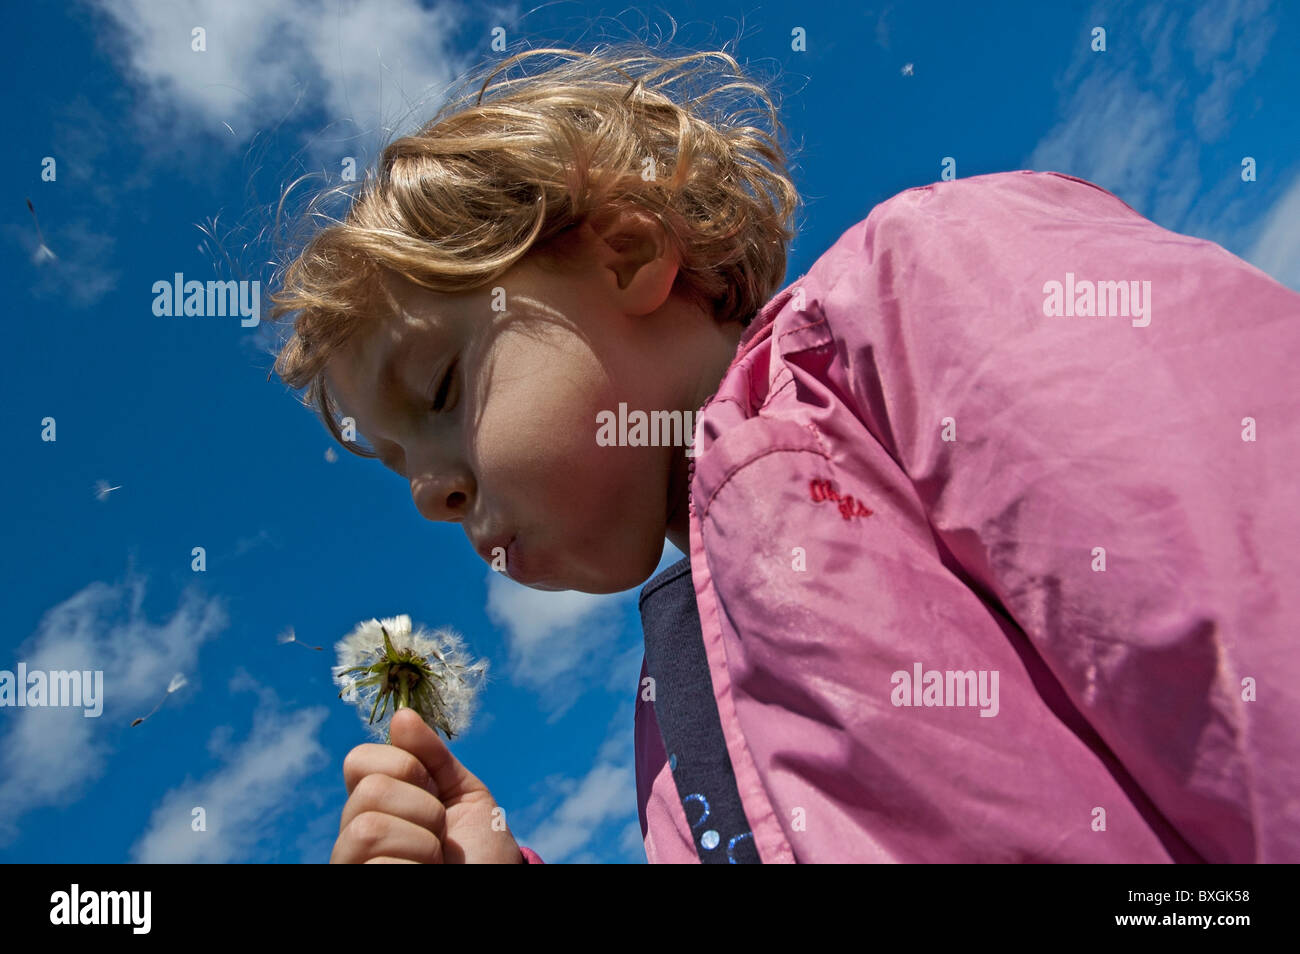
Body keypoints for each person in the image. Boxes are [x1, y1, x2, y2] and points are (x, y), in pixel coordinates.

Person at [268, 45, 1300, 863]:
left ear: (627, 252)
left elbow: (1241, 601)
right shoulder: (672, 720)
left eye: (441, 390)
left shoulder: (919, 301)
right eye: (401, 467)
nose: (431, 495)